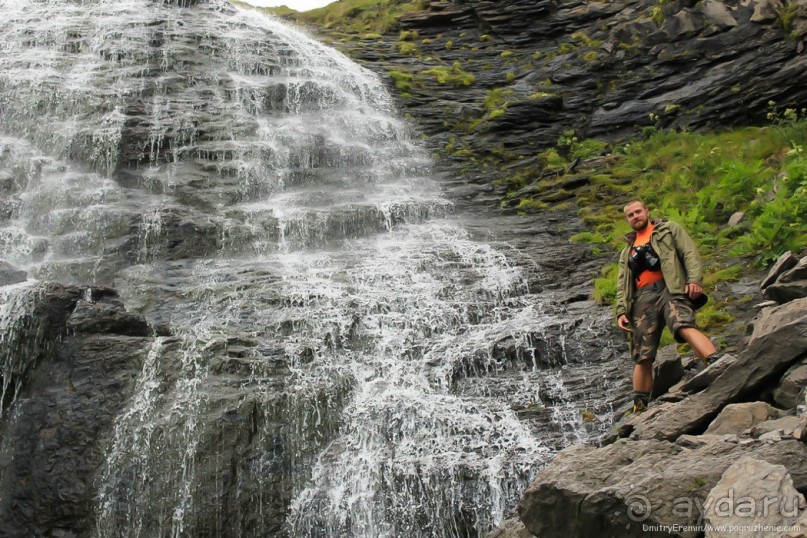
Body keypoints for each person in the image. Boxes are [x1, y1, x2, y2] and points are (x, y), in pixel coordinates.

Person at [615, 199, 720, 414]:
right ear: (627, 220)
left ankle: (717, 365)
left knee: (682, 324)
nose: (635, 216)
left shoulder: (669, 230)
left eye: (638, 212)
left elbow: (689, 253)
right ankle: (640, 408)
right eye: (630, 215)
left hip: (670, 287)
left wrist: (694, 280)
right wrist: (621, 311)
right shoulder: (627, 252)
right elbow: (621, 283)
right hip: (642, 298)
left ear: (647, 211)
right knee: (642, 352)